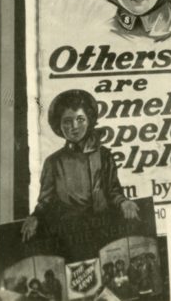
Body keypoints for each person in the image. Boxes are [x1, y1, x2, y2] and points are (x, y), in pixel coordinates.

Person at [21, 90, 139, 244]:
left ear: (89, 121)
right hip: (70, 236)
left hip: (104, 230)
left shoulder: (104, 156)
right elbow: (46, 202)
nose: (74, 127)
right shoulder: (53, 162)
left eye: (80, 119)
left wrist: (124, 202)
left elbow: (113, 191)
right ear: (59, 125)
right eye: (67, 121)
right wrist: (35, 216)